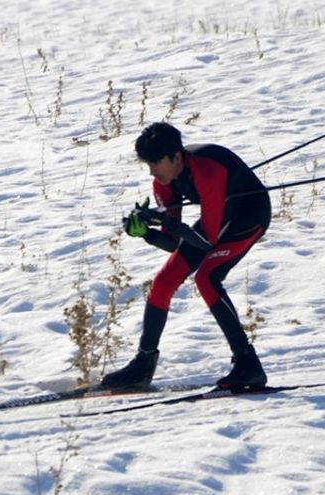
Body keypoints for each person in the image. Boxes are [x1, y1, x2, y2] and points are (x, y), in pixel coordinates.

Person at [101, 122, 273, 390]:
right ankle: (143, 365)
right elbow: (174, 244)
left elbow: (207, 242)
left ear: (177, 157)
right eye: (148, 164)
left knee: (207, 277)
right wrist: (146, 232)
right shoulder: (163, 183)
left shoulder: (208, 171)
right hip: (220, 218)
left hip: (250, 215)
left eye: (156, 162)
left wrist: (165, 222)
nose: (152, 170)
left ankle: (248, 364)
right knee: (164, 281)